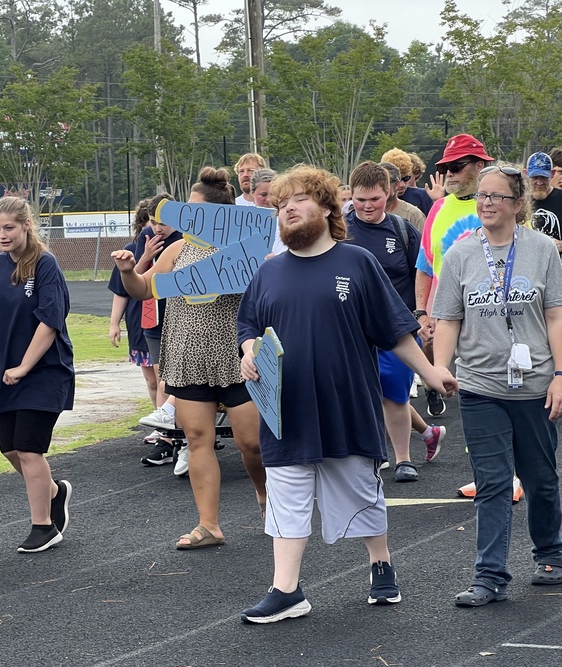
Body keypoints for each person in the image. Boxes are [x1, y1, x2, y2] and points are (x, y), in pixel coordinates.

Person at [236, 165, 457, 624]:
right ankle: (287, 590)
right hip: (286, 410)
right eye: (281, 205)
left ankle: (380, 562)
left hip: (347, 405)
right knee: (287, 496)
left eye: (298, 200)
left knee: (360, 491)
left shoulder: (357, 262)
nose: (288, 210)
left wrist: (432, 372)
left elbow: (395, 332)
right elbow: (249, 326)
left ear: (327, 207)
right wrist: (248, 351)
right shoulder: (268, 273)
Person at [113, 167, 268, 549]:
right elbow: (143, 290)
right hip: (186, 355)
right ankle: (209, 525)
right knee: (198, 439)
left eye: (196, 212)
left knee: (252, 444)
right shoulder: (178, 250)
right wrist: (128, 270)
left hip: (237, 357)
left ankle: (267, 497)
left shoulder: (250, 249)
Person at [432, 165, 562, 607]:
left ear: (517, 203)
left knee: (541, 478)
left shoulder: (543, 250)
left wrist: (561, 375)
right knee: (491, 482)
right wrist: (439, 368)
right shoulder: (461, 254)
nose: (486, 203)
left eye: (496, 196)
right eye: (481, 196)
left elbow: (555, 317)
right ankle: (489, 576)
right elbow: (448, 318)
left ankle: (550, 553)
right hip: (480, 386)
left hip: (535, 386)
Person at [0, 196, 75, 553]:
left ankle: (43, 526)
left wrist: (25, 366)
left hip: (44, 372)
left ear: (26, 225)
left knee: (29, 448)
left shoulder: (45, 264)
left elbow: (50, 321)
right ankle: (54, 491)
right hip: (6, 374)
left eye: (8, 227)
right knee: (10, 449)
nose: (1, 234)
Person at [346, 162, 445, 482]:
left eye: (374, 199)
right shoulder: (338, 231)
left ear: (387, 193)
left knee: (395, 394)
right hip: (352, 330)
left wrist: (423, 314)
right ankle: (372, 455)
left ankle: (403, 459)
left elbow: (425, 271)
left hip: (396, 327)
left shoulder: (402, 230)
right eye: (360, 200)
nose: (367, 206)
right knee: (360, 396)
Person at [415, 134, 493, 419]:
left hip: (489, 315)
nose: (449, 172)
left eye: (458, 165)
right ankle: (433, 386)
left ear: (480, 166)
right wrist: (422, 312)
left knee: (485, 399)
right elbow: (424, 266)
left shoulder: (497, 206)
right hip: (444, 310)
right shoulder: (437, 208)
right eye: (446, 166)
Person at [132, 193, 184, 464]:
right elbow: (136, 278)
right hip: (153, 316)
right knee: (160, 377)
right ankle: (167, 438)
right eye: (153, 222)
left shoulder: (185, 239)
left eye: (163, 222)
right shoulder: (147, 238)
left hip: (179, 317)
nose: (158, 228)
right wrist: (147, 255)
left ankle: (177, 438)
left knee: (173, 379)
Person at [108, 199, 159, 415]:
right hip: (140, 320)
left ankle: (175, 426)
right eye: (151, 221)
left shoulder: (175, 248)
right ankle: (161, 423)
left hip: (165, 320)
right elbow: (121, 292)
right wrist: (114, 324)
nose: (156, 228)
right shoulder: (130, 251)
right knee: (151, 380)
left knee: (165, 378)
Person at [526, 152, 562, 251]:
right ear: (526, 174)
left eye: (543, 177)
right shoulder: (521, 202)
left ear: (552, 174)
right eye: (535, 177)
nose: (539, 182)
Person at [378, 161, 426, 233]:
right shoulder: (366, 212)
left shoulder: (414, 215)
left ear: (396, 184)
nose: (380, 186)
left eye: (386, 182)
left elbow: (424, 242)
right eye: (376, 183)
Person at [251, 167, 285, 255]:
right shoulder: (242, 220)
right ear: (252, 193)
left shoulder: (288, 219)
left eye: (273, 194)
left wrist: (277, 257)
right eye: (263, 195)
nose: (269, 199)